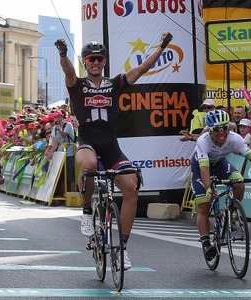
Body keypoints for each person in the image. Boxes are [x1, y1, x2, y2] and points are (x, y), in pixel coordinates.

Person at [55, 31, 173, 270]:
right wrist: (63, 53)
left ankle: (122, 249)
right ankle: (87, 212)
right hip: (87, 141)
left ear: (104, 61)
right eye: (91, 59)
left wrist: (161, 47)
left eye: (99, 59)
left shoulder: (114, 83)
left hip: (111, 146)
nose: (96, 62)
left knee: (132, 189)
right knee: (87, 167)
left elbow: (141, 70)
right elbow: (68, 71)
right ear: (85, 62)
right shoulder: (77, 84)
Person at [191, 110, 251, 261]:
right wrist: (209, 188)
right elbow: (204, 169)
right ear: (209, 130)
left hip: (221, 164)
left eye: (224, 128)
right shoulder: (202, 141)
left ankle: (233, 212)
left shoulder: (234, 138)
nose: (222, 133)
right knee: (203, 206)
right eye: (217, 130)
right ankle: (207, 243)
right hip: (201, 167)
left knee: (239, 182)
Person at [45, 110, 76, 193]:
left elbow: (63, 135)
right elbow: (56, 142)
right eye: (55, 117)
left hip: (69, 154)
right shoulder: (54, 128)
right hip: (60, 154)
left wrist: (59, 128)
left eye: (58, 117)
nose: (57, 119)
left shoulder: (68, 125)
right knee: (61, 177)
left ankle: (72, 194)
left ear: (62, 117)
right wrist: (50, 152)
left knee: (70, 176)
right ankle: (64, 195)